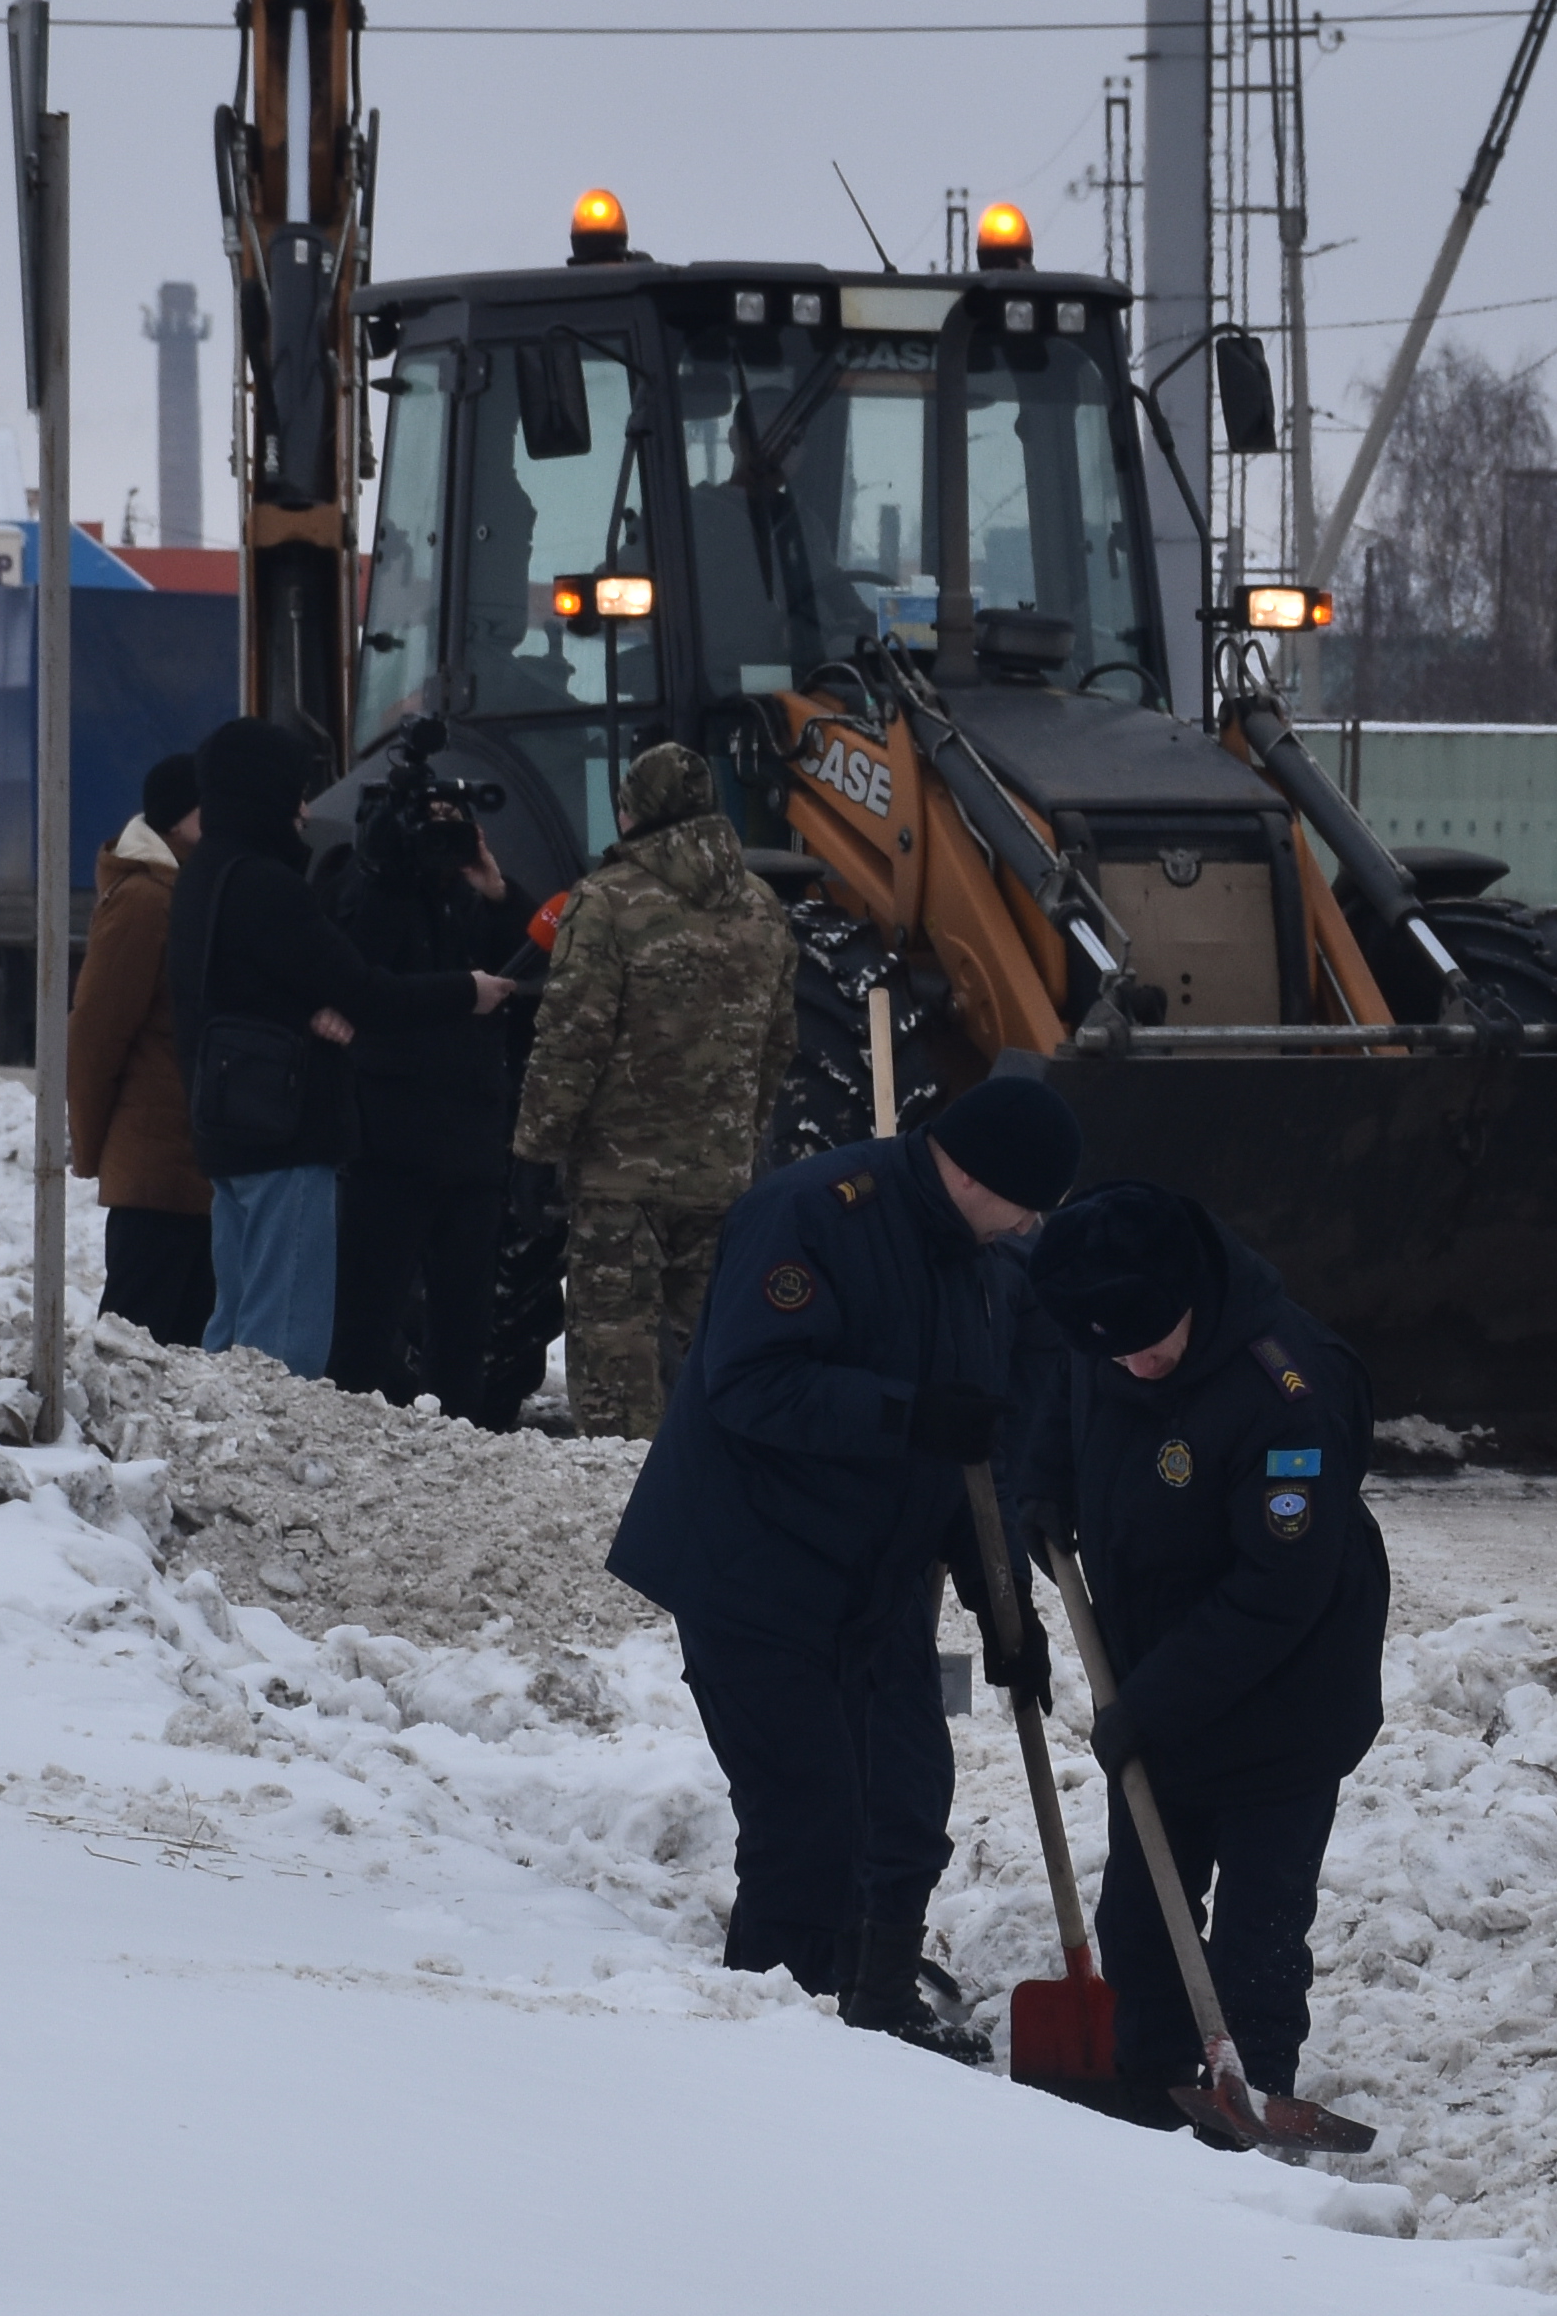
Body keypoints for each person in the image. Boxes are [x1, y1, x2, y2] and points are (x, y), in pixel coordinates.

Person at [607, 1070, 1082, 2047]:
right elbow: (749, 1385)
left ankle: (873, 1985)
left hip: (879, 1578)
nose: (1033, 1224)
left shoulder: (982, 1263)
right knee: (809, 1823)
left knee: (907, 1804)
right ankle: (782, 2020)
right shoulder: (810, 1215)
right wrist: (904, 1412)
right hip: (756, 1568)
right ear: (983, 1175)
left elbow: (971, 1463)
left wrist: (1006, 1611)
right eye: (1030, 1202)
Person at [1010, 1181, 1391, 2124]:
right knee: (1140, 1926)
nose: (1135, 1364)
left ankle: (1251, 2097)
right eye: (1114, 1346)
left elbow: (1280, 1591)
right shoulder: (1109, 1330)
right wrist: (1044, 1487)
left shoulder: (1287, 1389)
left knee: (1257, 1933)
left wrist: (1151, 1704)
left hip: (1284, 1700)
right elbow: (1069, 1391)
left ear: (1194, 1293)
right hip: (1160, 1677)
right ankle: (1146, 2091)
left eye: (1152, 1341)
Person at [512, 737, 799, 1440]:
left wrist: (536, 1147)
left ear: (633, 811)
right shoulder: (763, 907)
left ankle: (623, 1503)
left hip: (619, 1176)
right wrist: (737, 1133)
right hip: (721, 1173)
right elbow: (778, 1043)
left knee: (616, 1349)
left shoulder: (607, 902)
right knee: (719, 1338)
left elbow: (571, 1038)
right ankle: (724, 1478)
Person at [168, 715, 417, 1376]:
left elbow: (242, 984)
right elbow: (357, 985)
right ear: (264, 794)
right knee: (282, 1348)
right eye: (296, 792)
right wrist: (468, 990)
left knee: (233, 1325)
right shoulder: (266, 884)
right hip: (285, 1131)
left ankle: (220, 1452)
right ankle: (258, 1464)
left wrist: (309, 1006)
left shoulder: (204, 875)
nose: (306, 811)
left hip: (229, 1125)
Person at [318, 749, 539, 1409]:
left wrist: (495, 886)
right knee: (366, 1319)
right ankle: (350, 1428)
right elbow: (363, 984)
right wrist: (392, 872)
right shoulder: (370, 893)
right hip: (391, 1144)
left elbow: (531, 959)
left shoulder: (474, 901)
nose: (443, 840)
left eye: (455, 824)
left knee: (466, 1326)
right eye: (431, 825)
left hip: (471, 1143)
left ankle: (461, 1433)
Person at [65, 754, 211, 1347]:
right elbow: (97, 1033)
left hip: (184, 1162)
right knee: (134, 1342)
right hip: (154, 1169)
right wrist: (97, 1149)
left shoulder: (184, 888)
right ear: (178, 821)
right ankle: (99, 1443)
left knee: (179, 1341)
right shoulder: (146, 899)